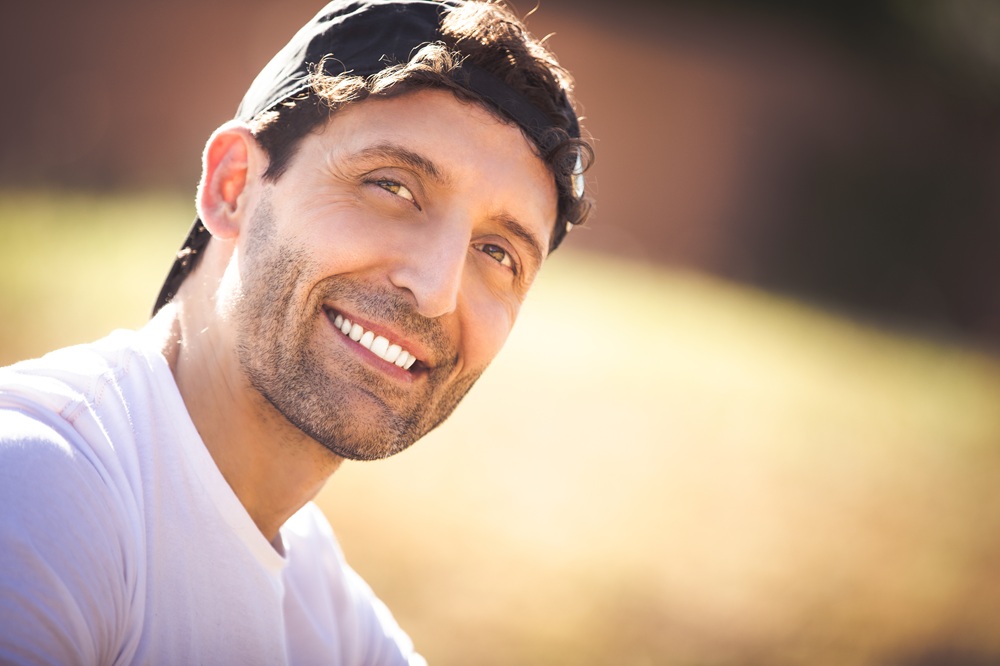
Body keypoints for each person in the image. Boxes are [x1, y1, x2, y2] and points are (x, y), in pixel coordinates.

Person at [0, 0, 592, 663]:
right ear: (234, 187)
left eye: (498, 254)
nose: (435, 290)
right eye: (393, 187)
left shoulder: (327, 611)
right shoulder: (37, 490)